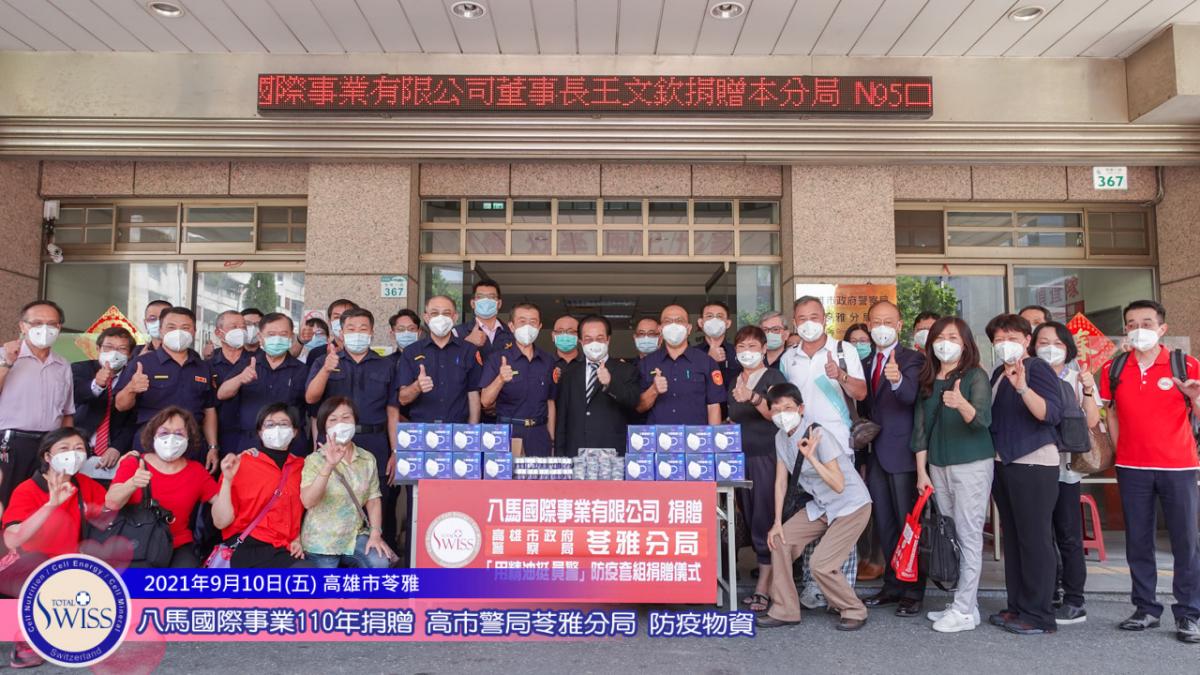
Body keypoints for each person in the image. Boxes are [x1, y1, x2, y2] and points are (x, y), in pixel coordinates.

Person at [1100, 299, 1200, 643]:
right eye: (1131, 324)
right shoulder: (1113, 368)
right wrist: (1120, 451)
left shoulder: (1185, 365)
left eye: (1146, 323)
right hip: (1132, 468)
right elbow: (1111, 413)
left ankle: (1189, 614)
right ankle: (1145, 608)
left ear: (1162, 328)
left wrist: (1194, 398)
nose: (1138, 329)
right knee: (1138, 541)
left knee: (1186, 543)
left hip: (1179, 466)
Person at [758, 382, 872, 631]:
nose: (782, 414)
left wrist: (812, 458)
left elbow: (838, 484)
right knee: (779, 541)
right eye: (776, 410)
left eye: (788, 408)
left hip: (850, 506)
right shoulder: (780, 438)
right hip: (822, 506)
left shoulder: (818, 435)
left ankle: (854, 609)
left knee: (821, 564)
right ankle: (785, 610)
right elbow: (780, 482)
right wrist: (777, 523)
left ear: (801, 409)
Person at [0, 427, 110, 668]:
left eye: (79, 448)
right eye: (64, 448)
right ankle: (27, 638)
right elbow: (13, 539)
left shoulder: (86, 485)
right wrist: (50, 505)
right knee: (38, 564)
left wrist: (128, 480)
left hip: (68, 568)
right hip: (25, 570)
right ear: (47, 457)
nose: (73, 454)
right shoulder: (27, 489)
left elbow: (108, 517)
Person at [912, 317, 995, 633]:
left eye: (953, 338)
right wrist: (921, 472)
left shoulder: (975, 376)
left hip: (971, 463)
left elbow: (982, 420)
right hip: (938, 465)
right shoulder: (928, 378)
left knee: (968, 533)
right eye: (939, 337)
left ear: (965, 343)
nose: (945, 343)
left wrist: (961, 404)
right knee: (951, 534)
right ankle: (967, 605)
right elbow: (920, 429)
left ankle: (963, 609)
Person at [986, 313, 1063, 636]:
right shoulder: (997, 373)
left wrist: (1023, 389)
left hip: (1033, 462)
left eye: (1012, 338)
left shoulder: (1037, 368)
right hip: (1005, 463)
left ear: (1027, 341)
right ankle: (1017, 606)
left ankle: (1039, 613)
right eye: (999, 339)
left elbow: (1051, 413)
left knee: (1034, 539)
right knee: (1016, 539)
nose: (1005, 344)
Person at [305, 308, 400, 543]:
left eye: (363, 328)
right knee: (331, 498)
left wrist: (395, 450)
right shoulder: (324, 361)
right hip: (333, 444)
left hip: (375, 442)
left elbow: (392, 411)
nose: (357, 333)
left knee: (380, 501)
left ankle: (377, 551)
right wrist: (326, 370)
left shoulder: (386, 365)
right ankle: (333, 556)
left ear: (372, 332)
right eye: (351, 328)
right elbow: (311, 398)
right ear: (341, 332)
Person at [860, 301, 928, 618]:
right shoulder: (865, 361)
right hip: (875, 455)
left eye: (888, 321)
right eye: (876, 322)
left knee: (907, 525)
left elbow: (910, 396)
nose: (882, 327)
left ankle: (913, 590)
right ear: (869, 325)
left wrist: (898, 379)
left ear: (899, 326)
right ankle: (892, 584)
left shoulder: (912, 359)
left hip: (902, 455)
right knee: (884, 524)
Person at [1032, 321, 1099, 626]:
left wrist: (1088, 389)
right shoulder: (1027, 376)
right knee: (1041, 535)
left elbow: (1092, 420)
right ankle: (1049, 592)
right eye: (1043, 342)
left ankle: (1074, 599)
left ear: (1068, 348)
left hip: (1065, 470)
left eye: (1057, 343)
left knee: (1068, 535)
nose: (1050, 348)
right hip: (1035, 469)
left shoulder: (1077, 377)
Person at [106, 406, 220, 567]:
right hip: (136, 542)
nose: (171, 438)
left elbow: (221, 505)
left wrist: (229, 477)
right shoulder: (134, 462)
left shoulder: (196, 471)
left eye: (179, 433)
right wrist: (132, 483)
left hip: (177, 545)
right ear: (153, 435)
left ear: (189, 438)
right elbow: (111, 503)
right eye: (164, 432)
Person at [726, 326, 787, 613]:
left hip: (766, 456)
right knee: (749, 518)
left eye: (752, 346)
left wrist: (753, 397)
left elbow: (778, 414)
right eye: (741, 347)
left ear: (764, 349)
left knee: (765, 517)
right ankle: (769, 581)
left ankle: (764, 587)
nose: (746, 352)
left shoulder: (773, 377)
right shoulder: (734, 379)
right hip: (739, 458)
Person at [114, 306, 219, 471]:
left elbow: (209, 410)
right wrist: (131, 388)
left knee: (191, 486)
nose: (178, 332)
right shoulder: (142, 363)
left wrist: (213, 447)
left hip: (193, 443)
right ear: (161, 331)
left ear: (194, 331)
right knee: (147, 486)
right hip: (151, 442)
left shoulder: (203, 367)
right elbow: (120, 405)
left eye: (185, 327)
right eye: (171, 327)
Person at [211, 403, 309, 568]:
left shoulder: (302, 466)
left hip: (284, 548)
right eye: (270, 425)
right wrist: (227, 480)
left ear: (294, 432)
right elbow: (220, 522)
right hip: (247, 546)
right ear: (260, 432)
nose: (277, 429)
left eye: (283, 424)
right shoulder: (240, 463)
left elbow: (307, 509)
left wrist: (298, 539)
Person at [300, 397, 391, 568]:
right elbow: (308, 501)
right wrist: (329, 465)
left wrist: (375, 534)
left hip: (354, 536)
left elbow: (373, 499)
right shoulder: (314, 460)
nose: (340, 424)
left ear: (355, 421)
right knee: (329, 585)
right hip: (322, 542)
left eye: (346, 418)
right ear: (324, 427)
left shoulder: (367, 458)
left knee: (379, 562)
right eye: (333, 420)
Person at [0, 300, 75, 505]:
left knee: (43, 503)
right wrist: (7, 363)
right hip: (11, 443)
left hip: (49, 445)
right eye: (37, 323)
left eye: (52, 324)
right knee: (6, 501)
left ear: (59, 327)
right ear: (23, 326)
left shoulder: (63, 365)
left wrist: (67, 446)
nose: (45, 329)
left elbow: (67, 412)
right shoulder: (3, 356)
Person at [780, 296, 867, 454]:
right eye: (802, 319)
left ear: (824, 319)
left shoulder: (845, 350)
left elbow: (861, 394)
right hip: (800, 444)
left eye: (814, 317)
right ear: (794, 323)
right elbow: (782, 400)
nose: (809, 323)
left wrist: (841, 376)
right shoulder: (788, 357)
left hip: (838, 443)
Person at [218, 312, 308, 454]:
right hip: (251, 444)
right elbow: (222, 394)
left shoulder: (302, 370)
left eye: (283, 334)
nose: (277, 339)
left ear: (291, 336)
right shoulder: (247, 364)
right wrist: (240, 379)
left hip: (290, 445)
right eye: (271, 334)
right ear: (260, 337)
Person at [554, 314, 640, 457]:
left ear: (608, 339)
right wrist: (560, 455)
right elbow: (562, 419)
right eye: (588, 339)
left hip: (612, 453)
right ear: (581, 341)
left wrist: (610, 383)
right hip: (576, 452)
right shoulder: (569, 374)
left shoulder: (626, 370)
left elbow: (634, 401)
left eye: (599, 338)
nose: (594, 343)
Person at [480, 303, 557, 457]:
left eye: (533, 322)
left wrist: (552, 439)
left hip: (539, 433)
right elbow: (485, 401)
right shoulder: (496, 359)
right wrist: (500, 379)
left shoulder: (548, 361)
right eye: (522, 322)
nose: (528, 326)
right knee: (508, 473)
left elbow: (550, 402)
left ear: (539, 327)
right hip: (507, 432)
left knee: (539, 473)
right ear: (511, 326)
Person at [398, 295, 483, 426]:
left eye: (446, 313)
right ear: (426, 317)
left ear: (455, 317)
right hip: (422, 429)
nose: (440, 318)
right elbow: (402, 399)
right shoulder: (410, 352)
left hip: (458, 429)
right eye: (434, 313)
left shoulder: (468, 350)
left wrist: (472, 430)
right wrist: (417, 387)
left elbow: (473, 394)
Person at [637, 305, 725, 425]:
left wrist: (713, 436)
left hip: (696, 436)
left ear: (689, 328)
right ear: (660, 329)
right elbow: (639, 407)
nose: (674, 325)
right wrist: (654, 390)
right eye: (668, 321)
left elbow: (713, 406)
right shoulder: (646, 364)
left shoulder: (706, 362)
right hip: (659, 436)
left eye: (679, 321)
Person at [71, 326, 137, 479]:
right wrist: (97, 384)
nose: (114, 353)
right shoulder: (80, 368)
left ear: (130, 354)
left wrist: (117, 447)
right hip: (80, 448)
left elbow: (134, 418)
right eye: (108, 347)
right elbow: (76, 396)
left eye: (122, 349)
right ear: (98, 349)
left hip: (117, 454)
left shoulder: (133, 377)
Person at [207, 310, 251, 461]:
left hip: (250, 439)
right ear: (218, 333)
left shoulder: (257, 361)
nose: (240, 331)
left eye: (243, 327)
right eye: (234, 327)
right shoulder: (207, 365)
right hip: (218, 437)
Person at [455, 279, 513, 363]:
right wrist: (467, 343)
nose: (486, 301)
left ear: (499, 304)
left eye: (491, 297)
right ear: (472, 303)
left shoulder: (511, 333)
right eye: (480, 297)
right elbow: (451, 365)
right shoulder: (458, 333)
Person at [697, 301, 741, 384]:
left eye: (719, 316)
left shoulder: (738, 352)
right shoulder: (691, 353)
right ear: (701, 323)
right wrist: (709, 361)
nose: (714, 320)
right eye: (709, 316)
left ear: (728, 323)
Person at [306, 299, 358, 366]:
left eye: (347, 316)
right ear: (330, 322)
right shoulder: (316, 353)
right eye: (337, 317)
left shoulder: (364, 352)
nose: (341, 320)